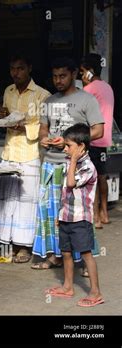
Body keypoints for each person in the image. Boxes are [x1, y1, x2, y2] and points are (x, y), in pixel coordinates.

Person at [31, 57, 104, 270]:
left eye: (62, 75)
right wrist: (44, 138)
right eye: (54, 76)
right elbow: (43, 129)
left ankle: (83, 261)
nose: (58, 80)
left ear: (73, 74)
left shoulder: (87, 100)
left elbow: (98, 130)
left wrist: (71, 142)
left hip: (75, 166)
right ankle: (56, 256)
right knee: (52, 214)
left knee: (77, 216)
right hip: (50, 165)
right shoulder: (49, 101)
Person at [0, 54, 51, 262]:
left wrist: (24, 126)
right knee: (6, 198)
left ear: (29, 68)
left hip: (29, 153)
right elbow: (8, 116)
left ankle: (24, 247)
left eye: (20, 68)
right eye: (12, 69)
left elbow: (46, 125)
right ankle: (5, 243)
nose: (15, 73)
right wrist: (4, 117)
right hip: (9, 151)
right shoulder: (8, 91)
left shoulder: (42, 95)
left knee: (26, 201)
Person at [45, 123, 104, 307]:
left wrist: (72, 162)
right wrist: (59, 214)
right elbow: (65, 192)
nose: (65, 148)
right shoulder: (70, 163)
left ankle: (95, 293)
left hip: (80, 219)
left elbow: (71, 183)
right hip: (66, 217)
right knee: (66, 253)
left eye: (69, 145)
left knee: (86, 254)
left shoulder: (87, 167)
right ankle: (68, 286)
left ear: (81, 147)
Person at [80, 53, 115, 229]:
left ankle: (95, 218)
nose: (80, 76)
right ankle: (105, 213)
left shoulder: (89, 90)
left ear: (89, 72)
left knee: (91, 179)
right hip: (105, 140)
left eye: (82, 72)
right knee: (102, 176)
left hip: (93, 139)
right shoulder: (107, 87)